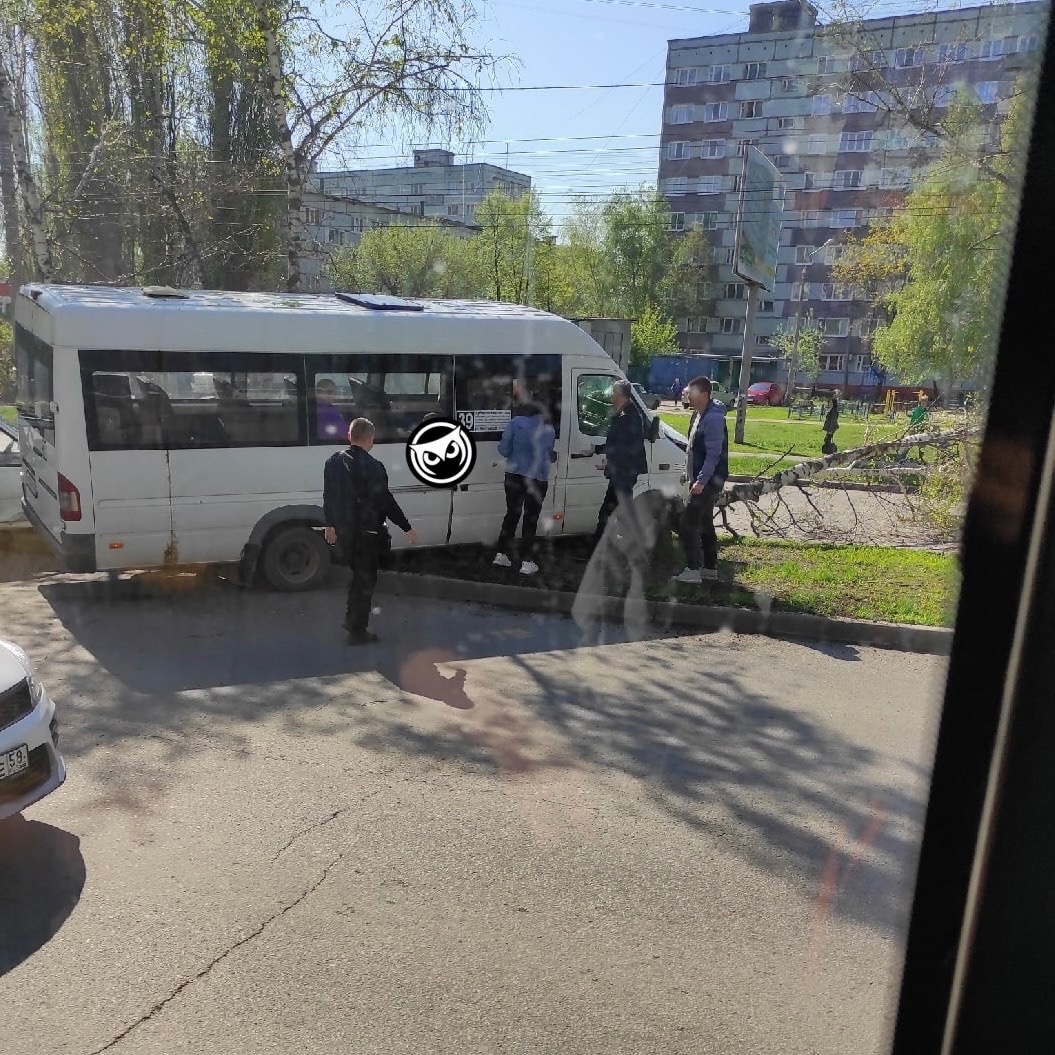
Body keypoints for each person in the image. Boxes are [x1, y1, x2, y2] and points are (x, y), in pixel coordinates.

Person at [323, 418, 418, 644]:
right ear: (371, 439)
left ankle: (351, 619)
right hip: (367, 533)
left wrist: (329, 525)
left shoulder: (333, 462)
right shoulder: (375, 467)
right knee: (365, 582)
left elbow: (329, 496)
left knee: (358, 577)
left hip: (345, 532)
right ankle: (357, 631)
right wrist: (407, 527)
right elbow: (386, 502)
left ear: (349, 436)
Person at [493, 387, 556, 576]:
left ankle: (502, 554)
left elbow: (503, 450)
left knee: (511, 515)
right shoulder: (548, 429)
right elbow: (548, 453)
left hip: (514, 475)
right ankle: (526, 562)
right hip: (537, 479)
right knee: (531, 519)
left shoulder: (514, 423)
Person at [673, 376, 729, 584]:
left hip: (710, 480)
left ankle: (693, 569)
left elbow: (713, 455)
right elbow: (693, 450)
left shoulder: (713, 418)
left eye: (690, 392)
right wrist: (688, 476)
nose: (686, 395)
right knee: (705, 522)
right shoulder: (699, 414)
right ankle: (709, 568)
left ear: (704, 395)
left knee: (687, 522)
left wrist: (701, 481)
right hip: (703, 478)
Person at [593, 380, 647, 546]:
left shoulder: (630, 417)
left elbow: (625, 448)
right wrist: (598, 449)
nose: (611, 397)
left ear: (622, 396)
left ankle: (632, 546)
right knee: (616, 511)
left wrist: (609, 460)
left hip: (624, 472)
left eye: (614, 394)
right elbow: (616, 443)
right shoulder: (624, 413)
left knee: (613, 512)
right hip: (621, 471)